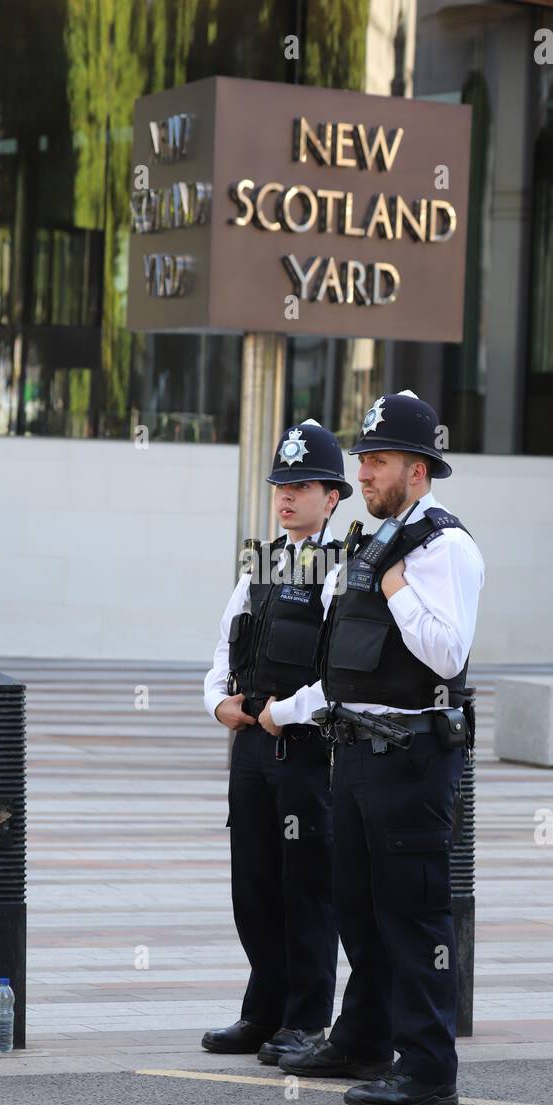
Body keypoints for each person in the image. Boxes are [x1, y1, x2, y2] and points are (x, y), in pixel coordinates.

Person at [258, 390, 485, 1105]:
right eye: (362, 462)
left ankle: (427, 1068)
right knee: (358, 908)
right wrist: (284, 712)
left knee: (412, 915)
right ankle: (362, 1038)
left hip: (410, 756)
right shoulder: (371, 542)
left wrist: (394, 586)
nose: (364, 475)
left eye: (377, 463)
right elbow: (344, 664)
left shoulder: (445, 547)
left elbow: (446, 653)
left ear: (418, 471)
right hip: (355, 751)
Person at [202, 420, 352, 1065]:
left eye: (303, 484)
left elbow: (344, 667)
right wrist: (218, 701)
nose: (287, 496)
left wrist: (285, 713)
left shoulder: (344, 566)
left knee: (306, 886)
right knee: (253, 883)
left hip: (306, 748)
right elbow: (224, 642)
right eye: (281, 484)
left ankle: (307, 1018)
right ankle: (263, 1012)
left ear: (334, 496)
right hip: (253, 745)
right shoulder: (261, 558)